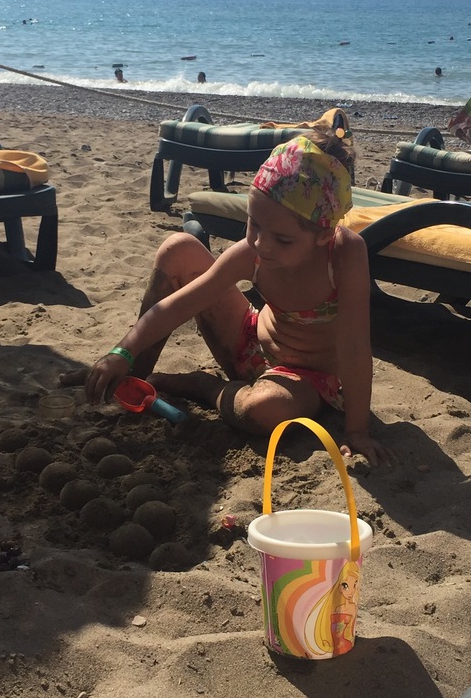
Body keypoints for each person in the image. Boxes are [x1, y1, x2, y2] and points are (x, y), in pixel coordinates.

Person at [61, 132, 392, 465]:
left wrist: (357, 431)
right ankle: (131, 378)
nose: (261, 244)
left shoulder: (344, 256)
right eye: (254, 224)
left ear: (323, 234)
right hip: (247, 344)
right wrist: (122, 352)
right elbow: (182, 303)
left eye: (282, 239)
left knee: (262, 410)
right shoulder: (254, 252)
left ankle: (204, 386)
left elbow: (354, 346)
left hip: (306, 380)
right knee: (178, 249)